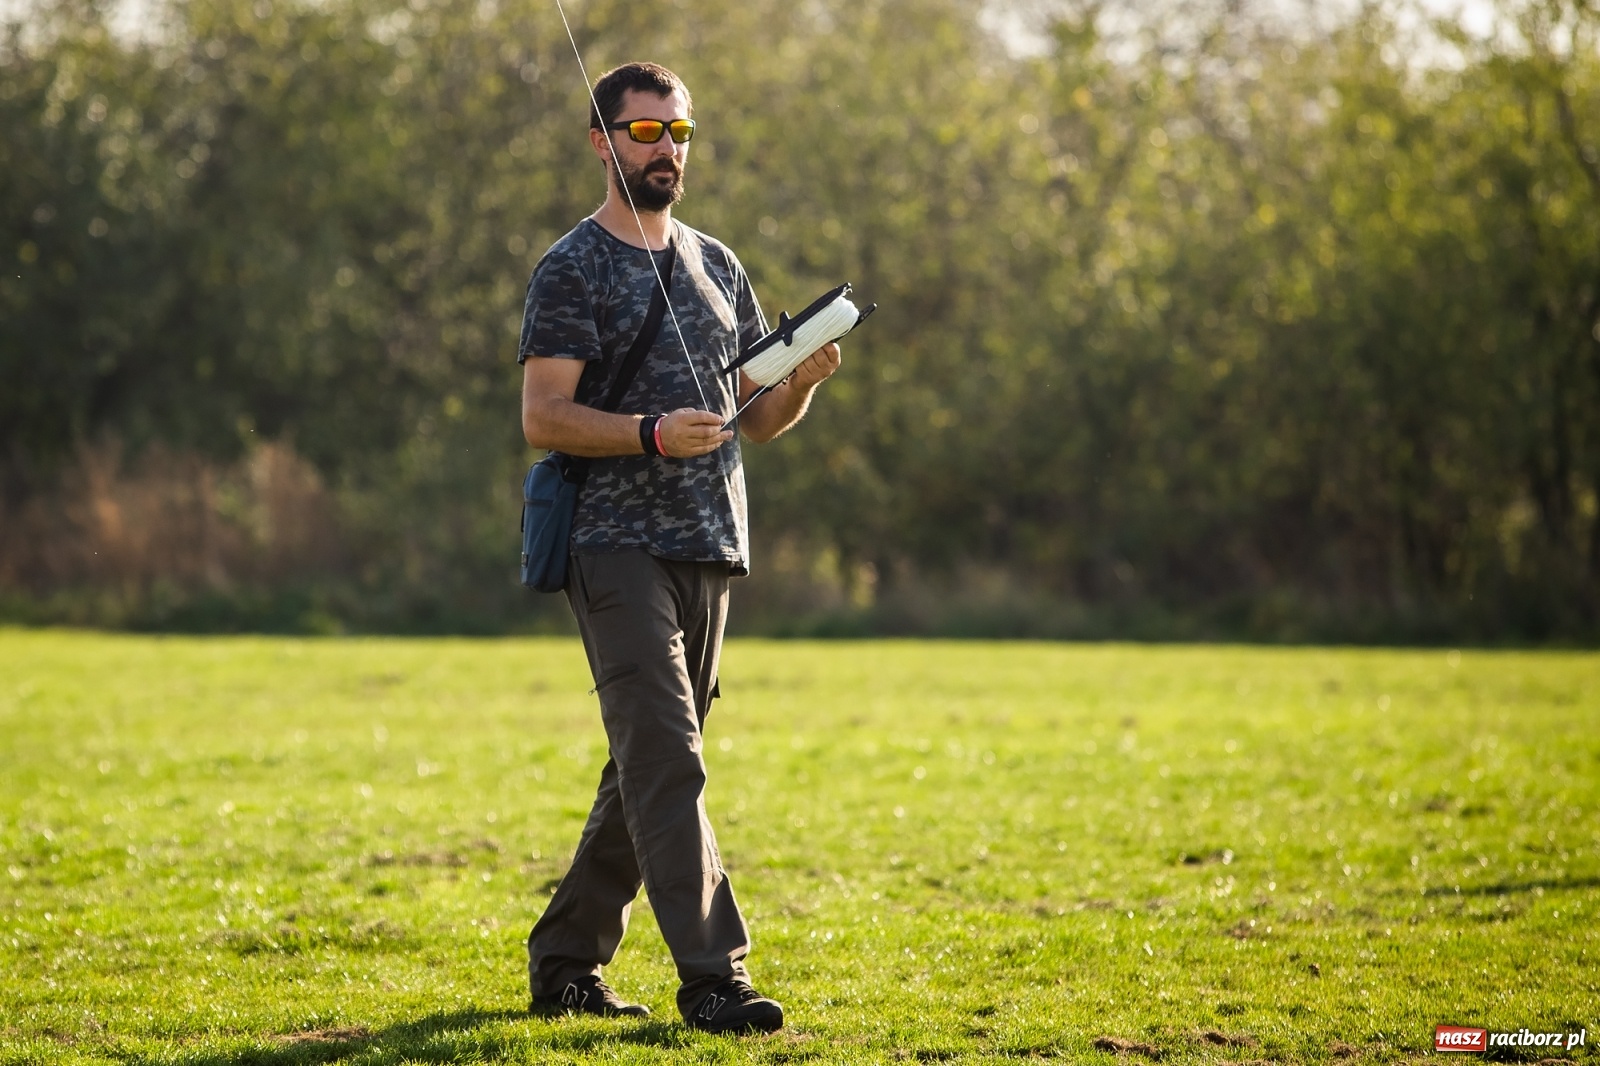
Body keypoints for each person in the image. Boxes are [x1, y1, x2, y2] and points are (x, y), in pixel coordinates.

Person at [516, 61, 841, 1035]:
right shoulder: (572, 267)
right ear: (602, 142)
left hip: (710, 543)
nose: (667, 149)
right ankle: (714, 978)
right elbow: (543, 416)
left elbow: (757, 419)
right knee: (665, 756)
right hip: (613, 544)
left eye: (680, 132)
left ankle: (565, 962)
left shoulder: (718, 264)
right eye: (646, 131)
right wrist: (650, 433)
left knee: (649, 763)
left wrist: (801, 379)